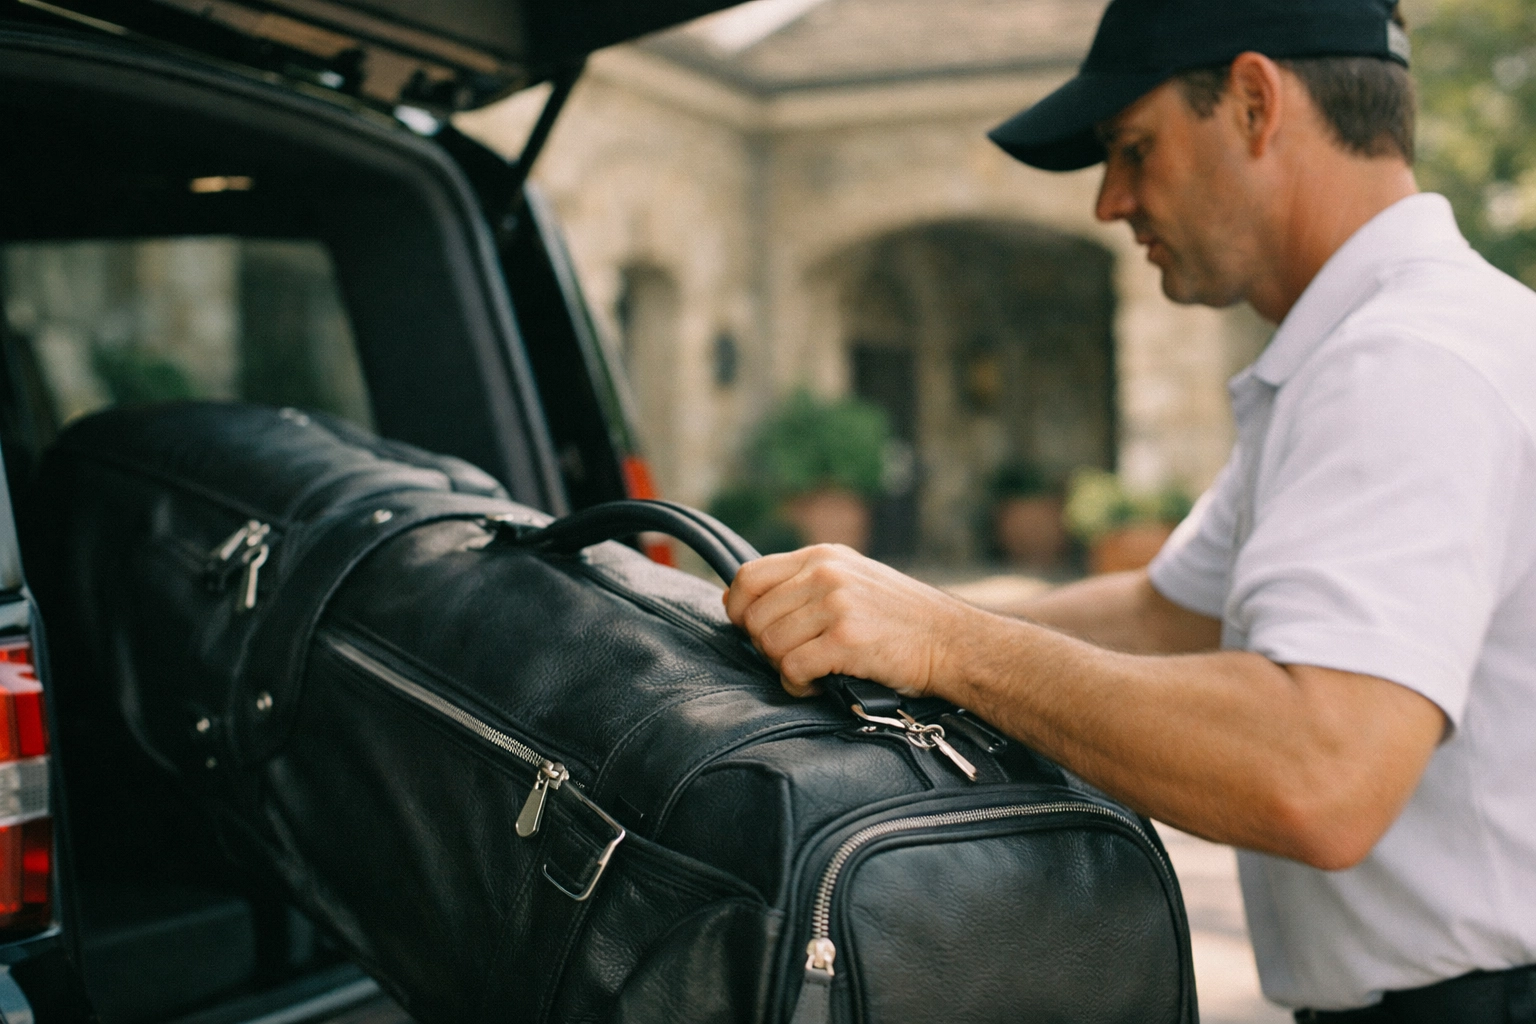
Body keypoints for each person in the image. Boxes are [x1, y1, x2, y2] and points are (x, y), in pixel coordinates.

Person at [723, 0, 1536, 1020]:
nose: (1111, 201)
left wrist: (945, 643)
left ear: (1252, 102)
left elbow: (1319, 770)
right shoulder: (1372, 346)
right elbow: (1165, 615)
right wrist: (871, 617)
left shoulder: (1408, 360)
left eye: (1133, 148)